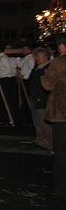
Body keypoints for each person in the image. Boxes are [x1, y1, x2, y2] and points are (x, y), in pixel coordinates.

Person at [41, 38, 66, 198]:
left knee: (62, 152)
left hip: (62, 112)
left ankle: (61, 188)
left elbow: (47, 85)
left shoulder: (59, 62)